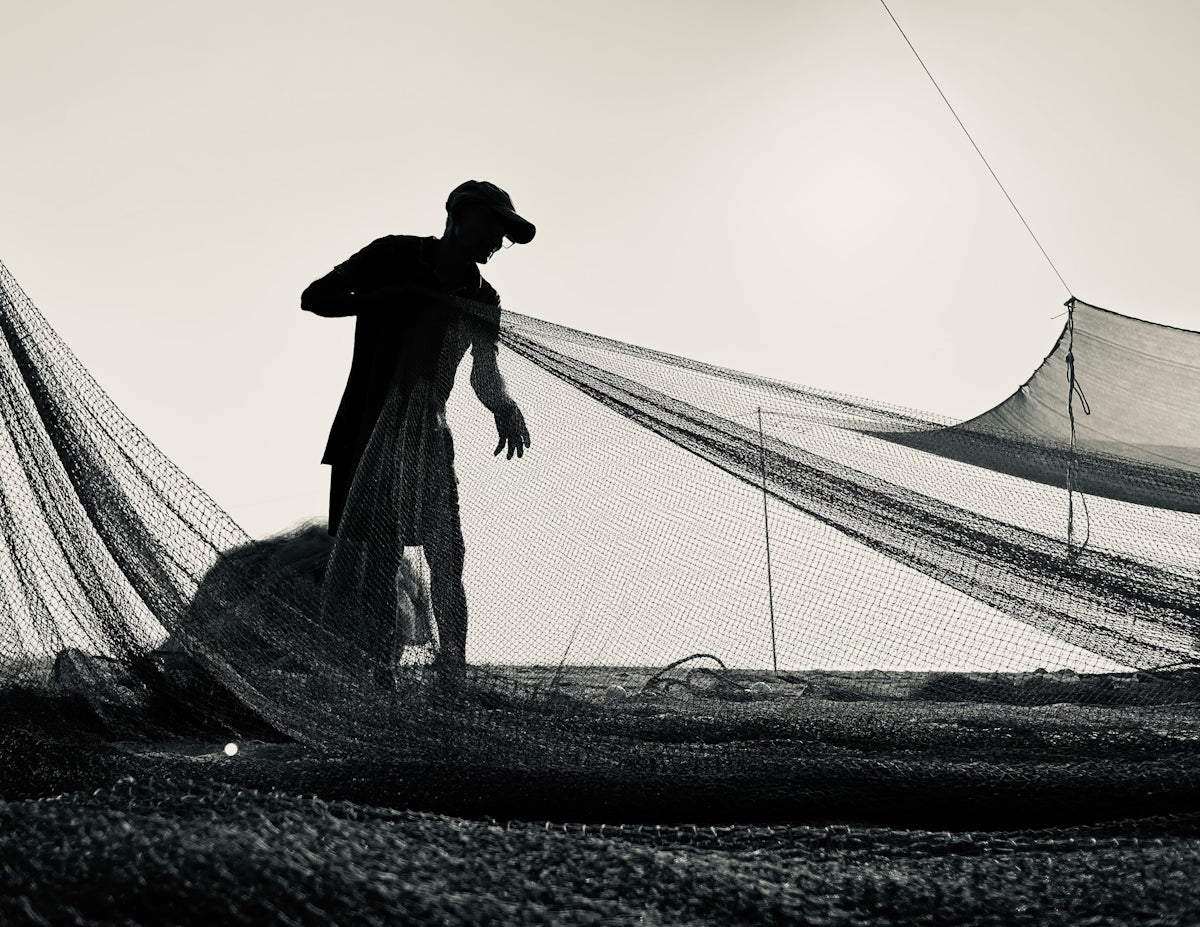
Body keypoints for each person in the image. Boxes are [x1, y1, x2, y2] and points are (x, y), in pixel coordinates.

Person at [301, 180, 533, 685]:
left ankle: (453, 676)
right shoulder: (394, 255)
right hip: (367, 430)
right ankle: (375, 675)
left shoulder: (482, 296)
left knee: (448, 554)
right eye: (494, 227)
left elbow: (483, 370)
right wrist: (395, 296)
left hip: (429, 435)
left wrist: (504, 405)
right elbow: (315, 297)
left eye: (505, 235)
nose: (499, 242)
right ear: (459, 215)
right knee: (376, 559)